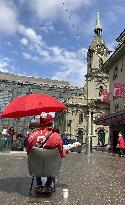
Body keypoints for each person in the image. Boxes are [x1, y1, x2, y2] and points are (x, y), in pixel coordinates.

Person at [25, 114, 69, 194]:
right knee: (53, 162)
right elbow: (62, 154)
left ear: (40, 122)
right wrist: (65, 152)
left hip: (35, 169)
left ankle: (39, 184)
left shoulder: (31, 136)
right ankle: (48, 185)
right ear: (51, 123)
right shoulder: (56, 136)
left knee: (37, 160)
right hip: (51, 169)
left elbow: (28, 152)